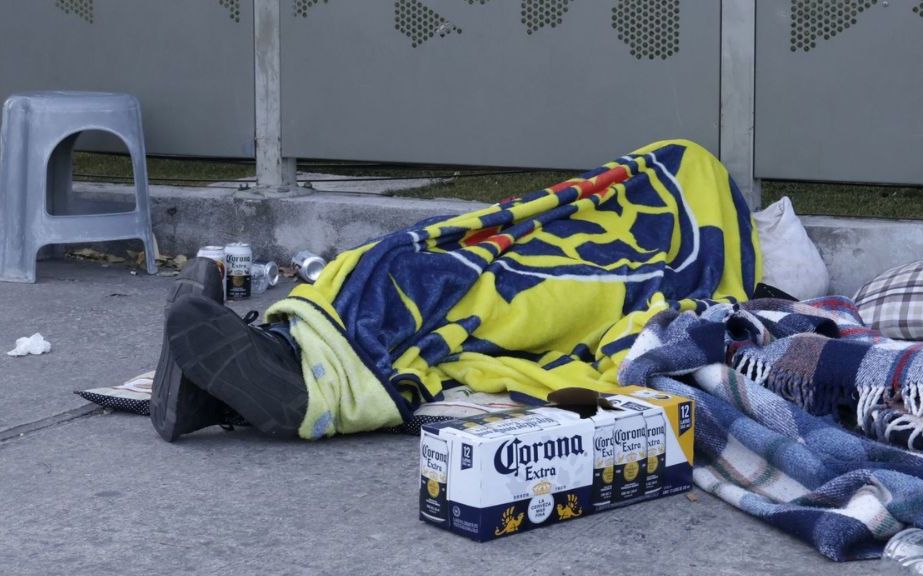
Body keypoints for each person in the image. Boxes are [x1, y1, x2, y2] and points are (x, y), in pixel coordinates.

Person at [151, 140, 760, 442]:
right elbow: (555, 207)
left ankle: (294, 376)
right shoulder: (609, 189)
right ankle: (251, 372)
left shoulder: (701, 215)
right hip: (524, 241)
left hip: (585, 278)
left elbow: (681, 269)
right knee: (398, 251)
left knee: (456, 286)